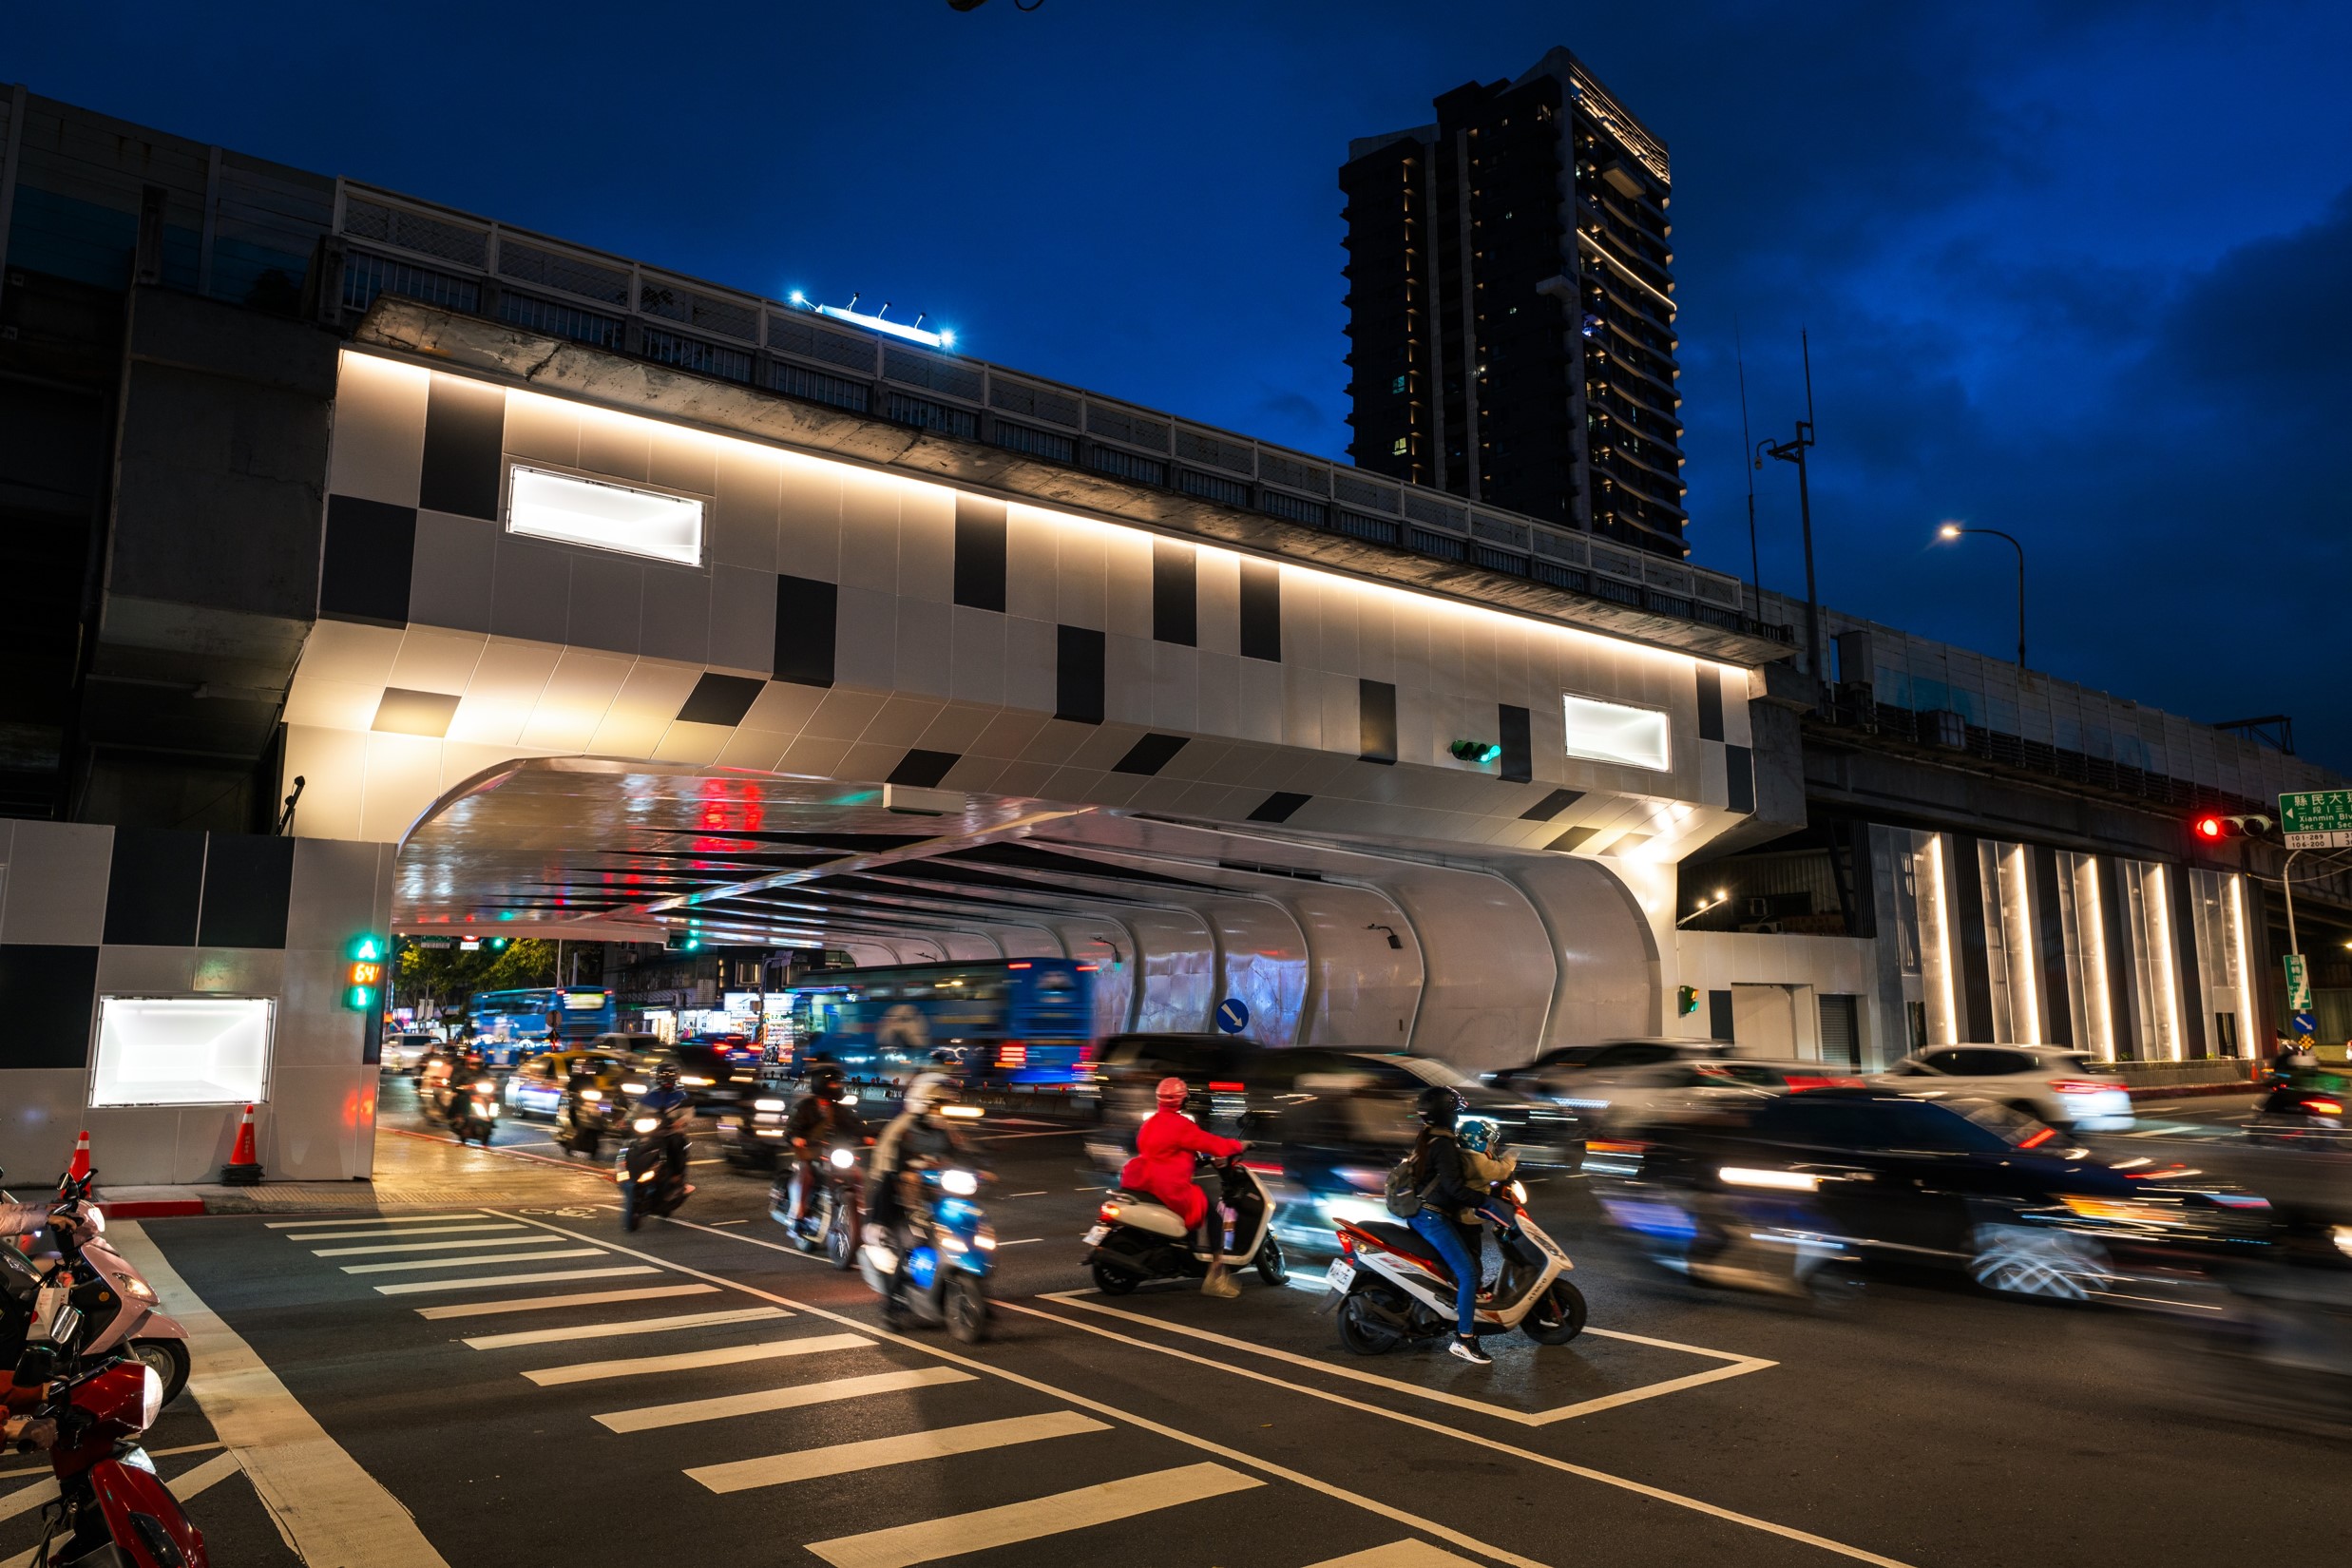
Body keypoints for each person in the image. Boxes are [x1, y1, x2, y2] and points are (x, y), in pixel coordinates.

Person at [1399, 1085, 1515, 1366]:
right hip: (1431, 1216)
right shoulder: (1444, 1144)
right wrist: (1486, 1203)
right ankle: (1464, 1339)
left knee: (1456, 1267)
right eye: (1456, 1112)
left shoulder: (1427, 1137)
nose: (1458, 1118)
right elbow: (1454, 1188)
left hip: (1421, 1212)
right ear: (1446, 1114)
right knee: (1468, 1274)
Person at [1119, 1077, 1249, 1298]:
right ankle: (1216, 1274)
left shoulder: (1150, 1123)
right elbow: (1213, 1144)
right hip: (1169, 1185)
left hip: (1143, 1178)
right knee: (1212, 1213)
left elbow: (1160, 1149)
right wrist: (1240, 1145)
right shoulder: (1181, 1126)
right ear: (1183, 1100)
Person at [866, 1071, 975, 1324]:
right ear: (922, 1104)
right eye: (935, 1106)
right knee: (910, 1245)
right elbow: (892, 1169)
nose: (940, 1111)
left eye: (942, 1106)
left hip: (937, 1197)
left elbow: (962, 1151)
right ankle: (890, 1307)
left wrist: (982, 1169)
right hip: (900, 1201)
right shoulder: (903, 1131)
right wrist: (908, 1174)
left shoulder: (944, 1129)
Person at [784, 1064, 867, 1227]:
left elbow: (855, 1126)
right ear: (821, 1084)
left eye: (838, 1083)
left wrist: (871, 1135)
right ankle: (798, 1209)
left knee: (856, 1172)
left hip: (833, 1151)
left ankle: (858, 1207)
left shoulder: (840, 1110)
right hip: (809, 1151)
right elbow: (792, 1129)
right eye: (834, 1083)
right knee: (806, 1172)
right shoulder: (804, 1107)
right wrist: (796, 1138)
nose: (838, 1087)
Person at [631, 1062, 696, 1191]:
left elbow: (689, 1114)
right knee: (632, 1144)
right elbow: (634, 1111)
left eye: (670, 1075)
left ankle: (677, 1175)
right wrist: (625, 1120)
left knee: (676, 1143)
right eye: (664, 1075)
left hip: (671, 1132)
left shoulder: (682, 1097)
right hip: (651, 1131)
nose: (667, 1078)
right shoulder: (649, 1096)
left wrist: (680, 1122)